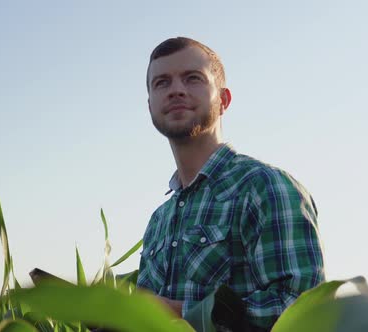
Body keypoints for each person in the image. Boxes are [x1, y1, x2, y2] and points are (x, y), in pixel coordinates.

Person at [136, 37, 325, 331]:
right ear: (150, 106)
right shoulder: (159, 220)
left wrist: (181, 313)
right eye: (162, 82)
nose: (176, 90)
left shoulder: (264, 187)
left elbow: (302, 311)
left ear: (223, 100)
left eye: (192, 78)